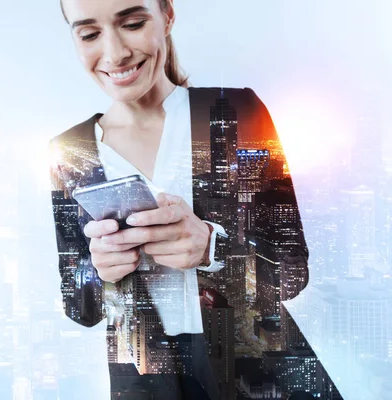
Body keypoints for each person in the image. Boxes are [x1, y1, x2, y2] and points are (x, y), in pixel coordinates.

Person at [48, 0, 310, 399]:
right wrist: (98, 271)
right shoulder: (70, 151)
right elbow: (78, 306)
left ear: (167, 15)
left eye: (133, 24)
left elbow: (293, 271)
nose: (115, 53)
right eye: (89, 33)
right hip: (144, 382)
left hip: (258, 374)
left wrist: (212, 247)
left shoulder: (237, 113)